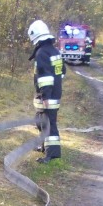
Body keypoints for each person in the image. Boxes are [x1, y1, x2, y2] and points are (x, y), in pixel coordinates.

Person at [27, 19, 64, 163]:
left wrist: (45, 96)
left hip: (48, 97)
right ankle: (45, 148)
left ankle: (50, 155)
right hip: (55, 94)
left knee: (47, 124)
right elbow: (62, 72)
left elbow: (45, 78)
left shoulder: (42, 53)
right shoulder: (54, 51)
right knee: (43, 122)